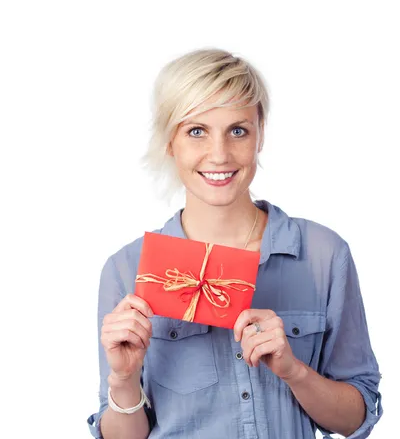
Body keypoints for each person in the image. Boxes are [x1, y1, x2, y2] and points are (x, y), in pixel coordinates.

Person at [87, 48, 383, 439]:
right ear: (169, 142)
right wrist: (123, 379)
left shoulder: (323, 255)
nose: (219, 154)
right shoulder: (127, 269)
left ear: (260, 134)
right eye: (196, 131)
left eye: (238, 130)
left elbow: (356, 418)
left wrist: (294, 372)